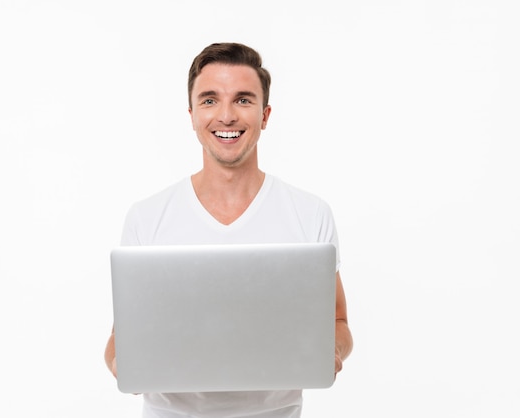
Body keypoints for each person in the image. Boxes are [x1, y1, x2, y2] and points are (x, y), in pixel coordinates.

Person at [104, 42, 353, 418]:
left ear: (265, 115)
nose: (226, 115)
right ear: (191, 115)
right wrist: (121, 363)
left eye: (243, 100)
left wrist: (331, 351)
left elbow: (337, 321)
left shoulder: (309, 213)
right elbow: (119, 338)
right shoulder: (147, 217)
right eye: (209, 100)